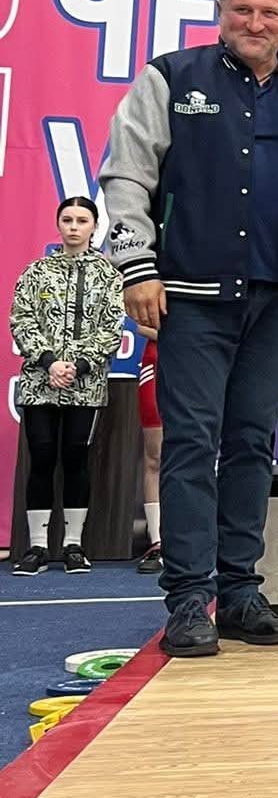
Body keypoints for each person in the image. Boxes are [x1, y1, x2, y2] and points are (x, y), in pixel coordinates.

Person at [100, 0, 278, 656]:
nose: (255, 23)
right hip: (189, 299)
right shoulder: (172, 78)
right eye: (243, 10)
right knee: (189, 444)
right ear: (221, 11)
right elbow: (126, 175)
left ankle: (240, 593)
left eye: (270, 13)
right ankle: (188, 600)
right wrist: (136, 266)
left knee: (250, 445)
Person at [8, 198, 124, 575]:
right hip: (39, 381)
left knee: (76, 458)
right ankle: (38, 547)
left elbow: (111, 327)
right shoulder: (36, 271)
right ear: (58, 224)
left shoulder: (109, 275)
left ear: (94, 226)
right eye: (68, 220)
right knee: (41, 456)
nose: (74, 227)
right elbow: (21, 320)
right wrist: (50, 362)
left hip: (85, 385)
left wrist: (78, 366)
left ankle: (74, 544)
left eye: (82, 220)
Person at [135, 328, 164, 573]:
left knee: (197, 454)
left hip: (197, 362)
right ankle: (157, 541)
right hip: (156, 363)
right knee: (155, 458)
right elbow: (141, 324)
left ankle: (189, 539)